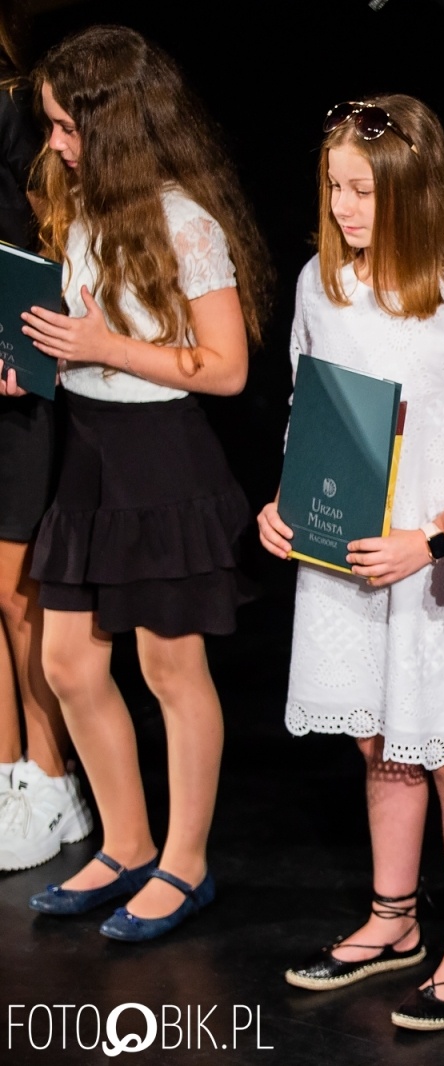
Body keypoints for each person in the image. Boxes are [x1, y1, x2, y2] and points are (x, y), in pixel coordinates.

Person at [256, 93, 444, 1032]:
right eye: (334, 189)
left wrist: (434, 537)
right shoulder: (317, 289)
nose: (344, 209)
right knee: (377, 738)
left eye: (362, 191)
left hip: (435, 572)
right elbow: (307, 414)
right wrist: (284, 505)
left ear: (413, 192)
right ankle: (393, 918)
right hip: (347, 561)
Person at [13, 25, 271, 941]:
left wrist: (103, 348)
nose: (54, 145)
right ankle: (124, 843)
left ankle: (186, 863)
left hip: (162, 456)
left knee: (170, 665)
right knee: (67, 662)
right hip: (86, 447)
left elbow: (229, 367)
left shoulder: (182, 221)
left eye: (66, 128)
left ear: (112, 126)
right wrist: (33, 361)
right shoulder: (78, 207)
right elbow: (75, 337)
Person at [0, 8, 91, 873]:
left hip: (20, 377)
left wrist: (20, 344)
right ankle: (6, 774)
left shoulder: (16, 105)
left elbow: (51, 229)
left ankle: (50, 775)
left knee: (18, 590)